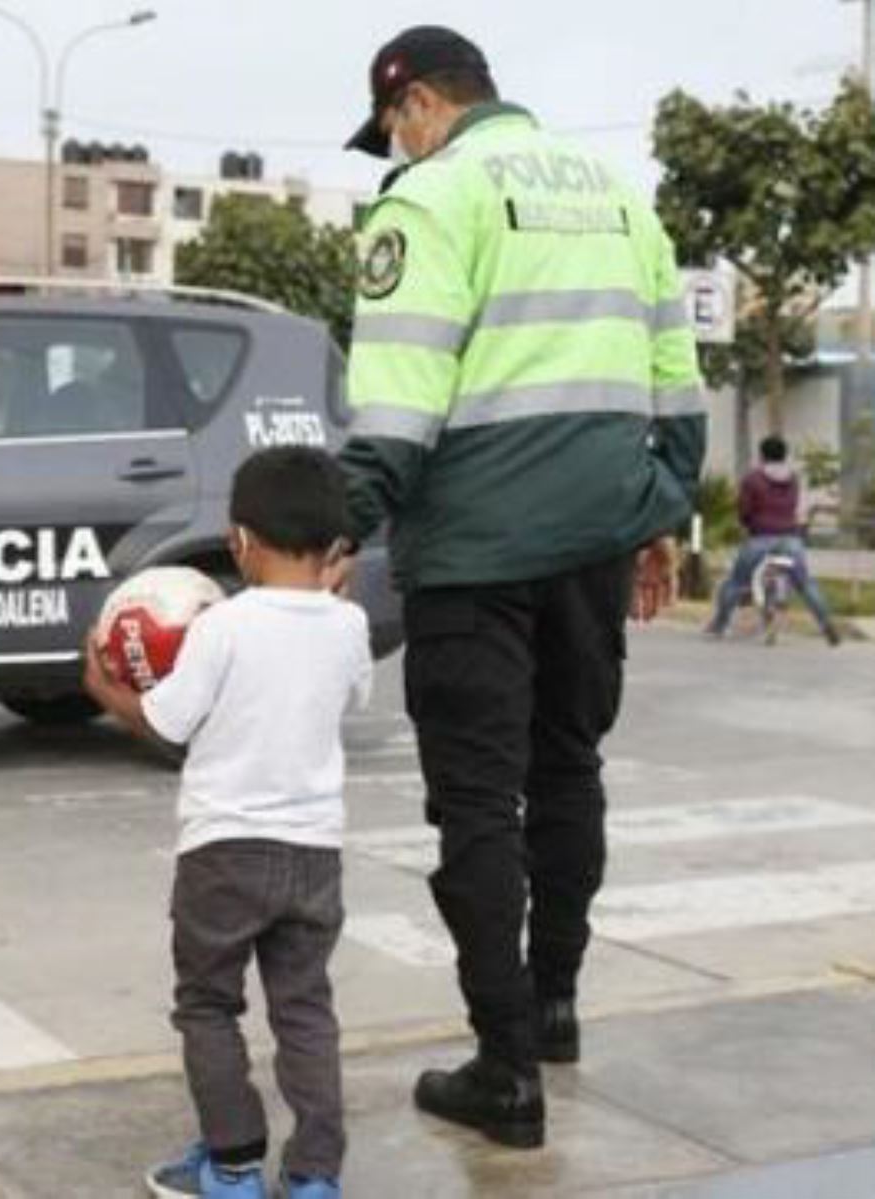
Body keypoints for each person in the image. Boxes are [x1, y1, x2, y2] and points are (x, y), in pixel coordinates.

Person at [335, 26, 707, 1148]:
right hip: (597, 538)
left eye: (390, 128)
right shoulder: (617, 193)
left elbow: (399, 402)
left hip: (478, 553)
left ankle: (504, 1070)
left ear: (415, 107)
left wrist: (332, 527)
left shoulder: (429, 198)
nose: (392, 147)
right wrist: (658, 513)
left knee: (479, 803)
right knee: (568, 769)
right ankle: (553, 1007)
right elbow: (676, 378)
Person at [83, 447, 372, 1199]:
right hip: (314, 855)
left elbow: (165, 721)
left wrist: (102, 687)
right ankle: (313, 1176)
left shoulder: (221, 626)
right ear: (334, 544)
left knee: (209, 1003)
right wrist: (337, 601)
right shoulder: (348, 627)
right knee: (305, 1008)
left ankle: (234, 1162)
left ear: (240, 539)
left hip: (224, 852)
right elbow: (350, 696)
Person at [704, 435, 841, 645]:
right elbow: (793, 505)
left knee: (736, 582)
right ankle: (826, 623)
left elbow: (744, 510)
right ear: (784, 455)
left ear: (762, 455)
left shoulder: (752, 479)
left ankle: (720, 624)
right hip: (790, 539)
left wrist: (747, 524)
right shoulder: (793, 479)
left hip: (760, 538)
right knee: (805, 583)